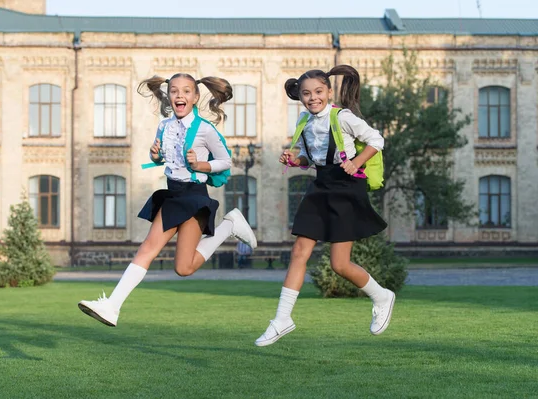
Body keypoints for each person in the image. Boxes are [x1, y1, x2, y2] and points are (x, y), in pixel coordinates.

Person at [78, 73, 257, 327]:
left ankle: (230, 225)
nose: (179, 96)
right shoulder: (164, 125)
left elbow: (226, 161)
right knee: (148, 248)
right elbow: (164, 157)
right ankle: (112, 306)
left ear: (195, 97)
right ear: (169, 96)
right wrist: (155, 156)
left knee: (184, 268)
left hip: (195, 198)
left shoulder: (205, 129)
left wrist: (201, 164)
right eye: (174, 91)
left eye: (186, 91)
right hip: (172, 195)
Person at [255, 66, 394, 347]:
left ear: (329, 92)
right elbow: (310, 159)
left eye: (318, 91)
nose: (312, 97)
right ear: (300, 98)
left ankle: (382, 296)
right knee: (299, 251)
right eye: (306, 94)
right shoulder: (304, 122)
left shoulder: (342, 116)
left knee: (339, 264)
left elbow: (376, 140)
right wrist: (295, 161)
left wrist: (356, 162)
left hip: (346, 188)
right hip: (320, 186)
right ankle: (282, 319)